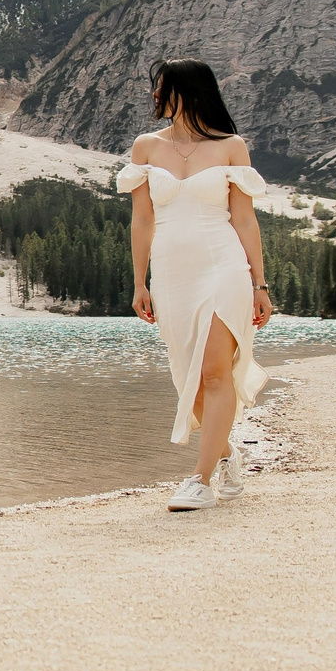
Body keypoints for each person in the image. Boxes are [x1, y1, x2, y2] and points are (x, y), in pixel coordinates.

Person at [117, 59, 274, 511]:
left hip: (223, 265)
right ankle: (226, 453)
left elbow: (244, 218)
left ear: (186, 91)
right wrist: (138, 282)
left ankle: (200, 479)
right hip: (170, 272)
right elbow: (142, 219)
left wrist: (260, 284)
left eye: (161, 87)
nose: (154, 96)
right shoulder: (146, 147)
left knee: (214, 372)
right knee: (190, 380)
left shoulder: (230, 147)